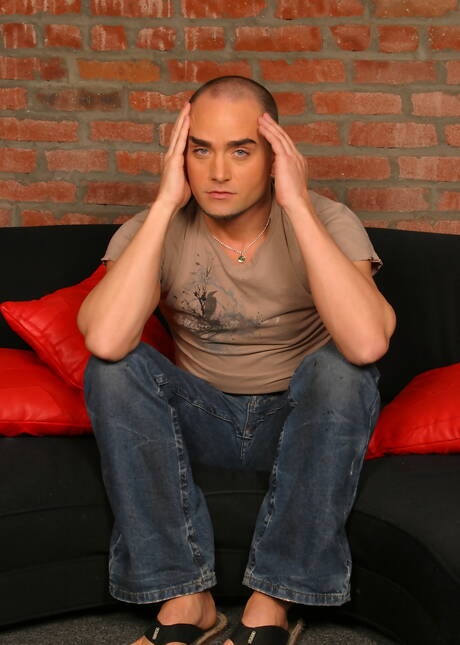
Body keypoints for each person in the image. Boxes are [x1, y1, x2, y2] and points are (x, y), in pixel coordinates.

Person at [78, 76, 396, 645]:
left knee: (343, 370)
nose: (218, 172)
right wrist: (164, 204)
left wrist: (296, 204)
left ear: (274, 156)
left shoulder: (325, 218)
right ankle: (185, 598)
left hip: (298, 422)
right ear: (180, 156)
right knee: (113, 369)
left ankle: (274, 598)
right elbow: (104, 339)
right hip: (201, 419)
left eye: (241, 151)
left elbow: (368, 343)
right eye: (201, 150)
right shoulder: (155, 227)